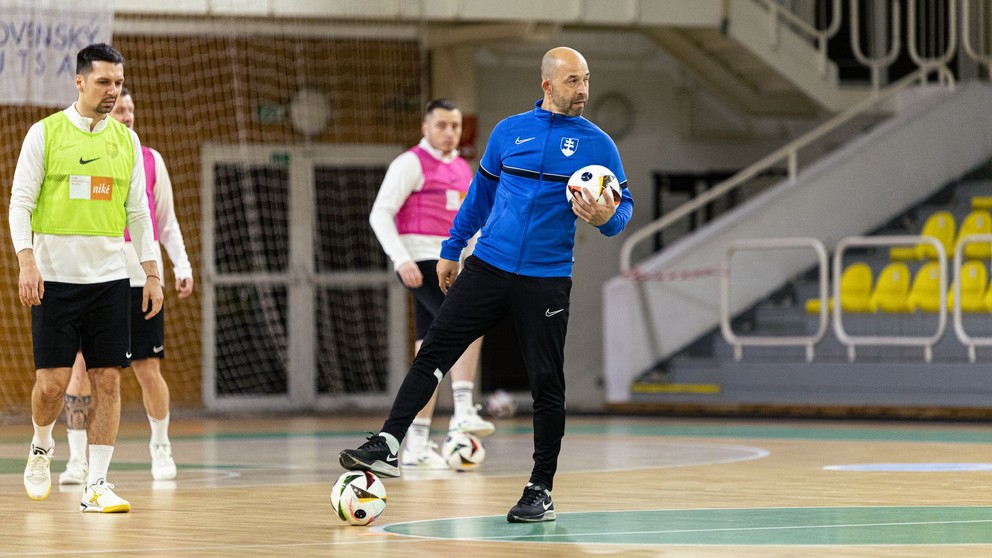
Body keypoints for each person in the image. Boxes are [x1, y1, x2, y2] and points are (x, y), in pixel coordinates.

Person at [339, 46, 633, 522]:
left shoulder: (599, 144)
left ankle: (540, 489)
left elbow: (622, 210)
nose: (582, 90)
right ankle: (389, 443)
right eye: (573, 81)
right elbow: (479, 197)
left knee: (546, 383)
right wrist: (453, 249)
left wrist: (607, 218)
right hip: (488, 266)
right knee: (434, 349)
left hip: (546, 279)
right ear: (547, 85)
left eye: (586, 80)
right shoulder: (508, 132)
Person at [10, 43, 163, 513]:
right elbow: (20, 203)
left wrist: (151, 271)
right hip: (55, 280)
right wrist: (26, 259)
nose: (113, 92)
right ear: (79, 81)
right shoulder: (45, 134)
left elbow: (139, 211)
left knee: (109, 382)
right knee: (52, 384)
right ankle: (41, 446)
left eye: (118, 83)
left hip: (111, 282)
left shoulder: (127, 142)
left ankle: (97, 484)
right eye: (103, 82)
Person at [58, 87, 194, 486]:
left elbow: (165, 222)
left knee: (147, 368)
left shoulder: (151, 160)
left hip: (140, 278)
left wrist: (180, 264)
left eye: (132, 108)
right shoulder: (83, 157)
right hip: (95, 276)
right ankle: (78, 461)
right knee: (80, 368)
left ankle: (161, 446)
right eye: (120, 108)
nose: (128, 114)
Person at [368, 99, 495, 469]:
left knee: (430, 348)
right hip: (421, 260)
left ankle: (418, 444)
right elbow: (380, 212)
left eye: (455, 126)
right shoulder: (410, 163)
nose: (449, 132)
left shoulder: (461, 168)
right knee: (467, 325)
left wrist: (476, 260)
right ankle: (462, 411)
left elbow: (471, 222)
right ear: (426, 128)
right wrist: (401, 259)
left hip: (451, 262)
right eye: (441, 125)